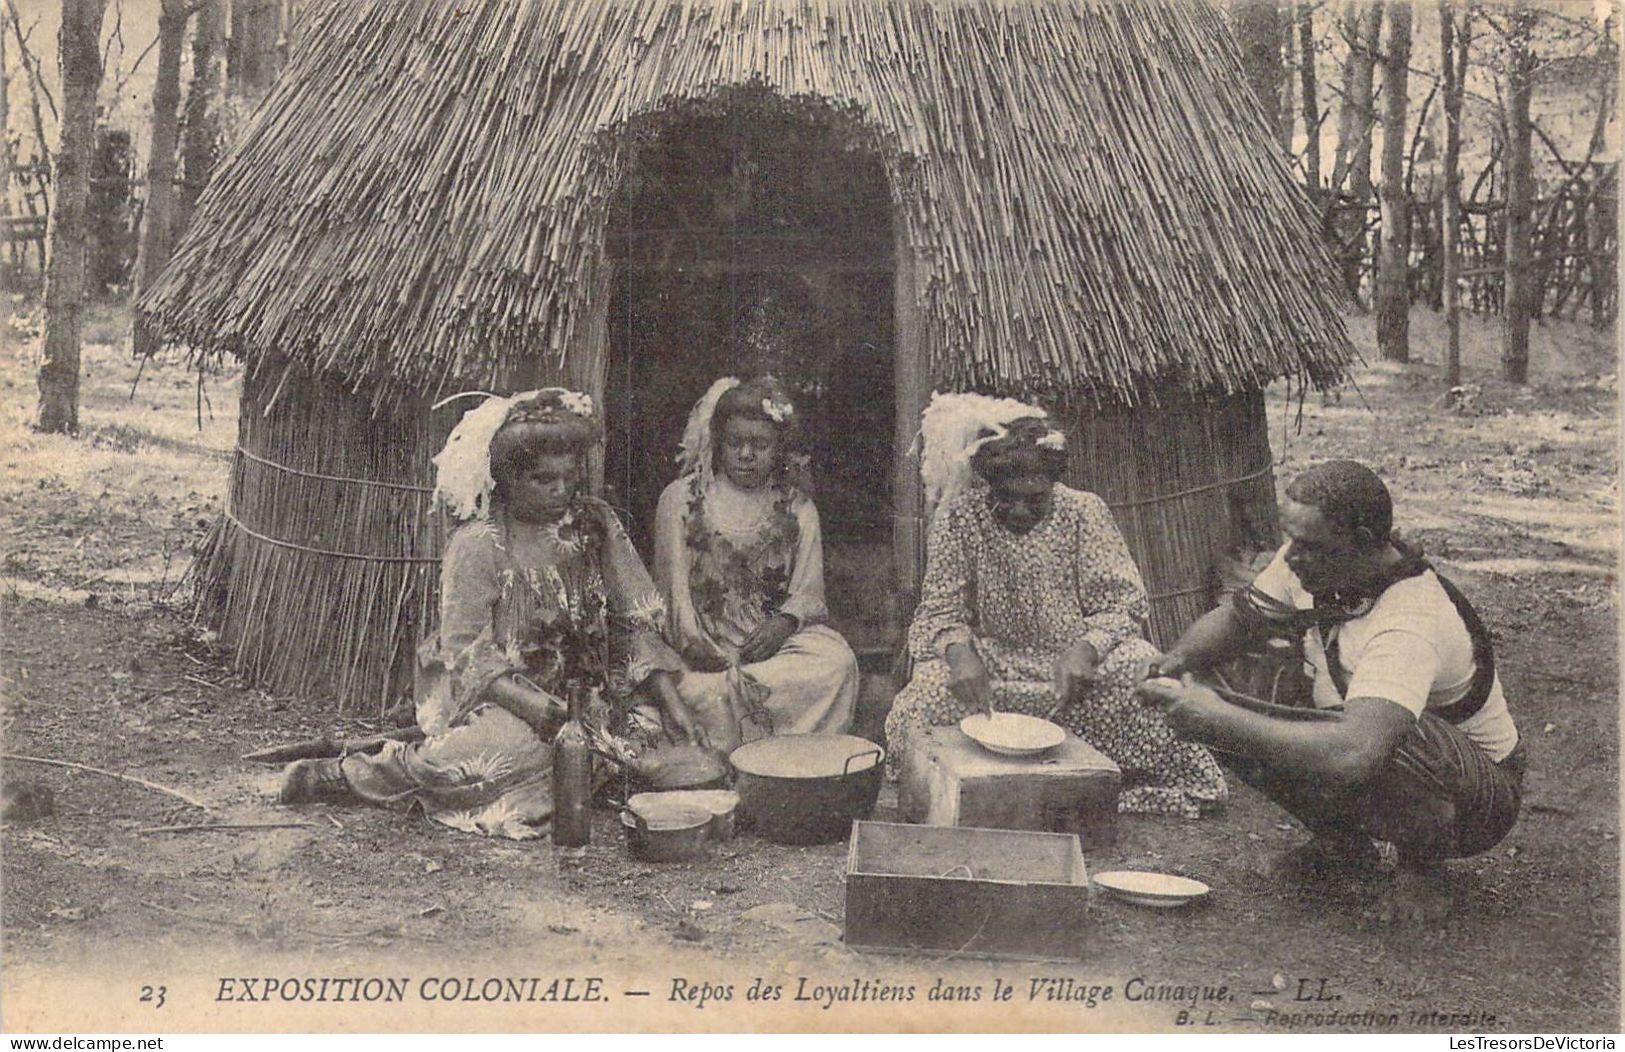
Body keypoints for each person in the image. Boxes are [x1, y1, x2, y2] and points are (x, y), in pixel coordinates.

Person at [277, 388, 692, 839]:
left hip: (593, 698)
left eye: (569, 477)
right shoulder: (480, 544)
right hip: (507, 703)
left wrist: (671, 703)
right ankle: (358, 773)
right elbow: (465, 651)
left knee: (678, 734)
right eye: (542, 479)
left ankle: (583, 766)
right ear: (507, 479)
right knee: (485, 759)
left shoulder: (596, 523)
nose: (560, 491)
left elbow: (634, 620)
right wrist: (538, 710)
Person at [1138, 459, 1522, 921]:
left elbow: (1357, 751)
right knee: (1218, 683)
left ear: (1361, 543)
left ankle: (1423, 869)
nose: (1291, 556)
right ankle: (1343, 847)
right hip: (1361, 734)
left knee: (1391, 739)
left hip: (1473, 800)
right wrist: (1175, 661)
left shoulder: (1410, 619)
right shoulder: (1310, 562)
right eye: (1290, 539)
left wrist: (1215, 718)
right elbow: (1241, 620)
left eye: (1309, 545)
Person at [885, 393, 1228, 818]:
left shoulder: (1084, 512)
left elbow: (1122, 603)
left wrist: (1085, 650)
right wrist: (960, 656)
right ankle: (966, 783)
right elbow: (939, 609)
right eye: (1004, 497)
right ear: (984, 483)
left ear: (1054, 482)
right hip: (998, 665)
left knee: (1141, 668)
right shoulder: (959, 518)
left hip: (1076, 670)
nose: (1018, 509)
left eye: (1035, 498)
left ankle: (1112, 784)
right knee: (927, 690)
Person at [652, 376, 858, 751]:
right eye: (736, 443)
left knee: (837, 663)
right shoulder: (681, 500)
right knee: (687, 689)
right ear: (718, 443)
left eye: (759, 445)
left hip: (771, 651)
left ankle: (782, 752)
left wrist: (783, 623)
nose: (746, 455)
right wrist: (701, 648)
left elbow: (809, 592)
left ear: (779, 449)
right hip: (702, 650)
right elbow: (673, 594)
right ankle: (730, 732)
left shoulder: (798, 507)